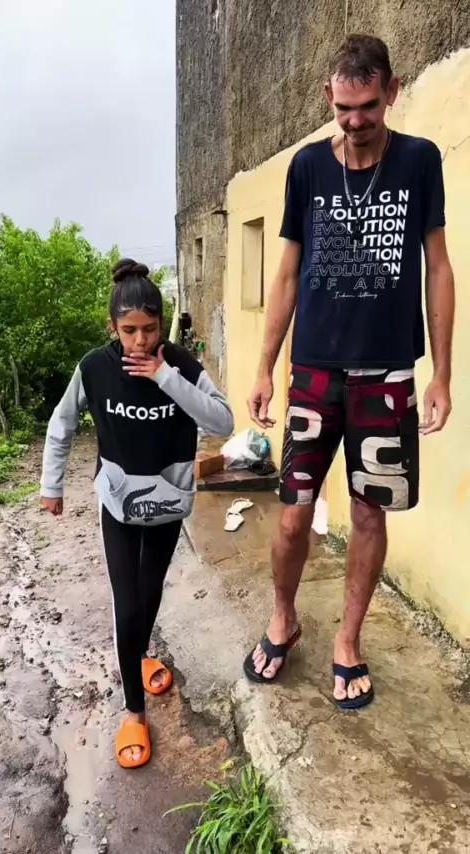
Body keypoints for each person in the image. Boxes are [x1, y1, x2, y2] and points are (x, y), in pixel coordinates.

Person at [244, 34, 455, 709]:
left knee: (369, 515)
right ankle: (284, 617)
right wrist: (264, 366)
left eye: (368, 106)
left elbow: (438, 266)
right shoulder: (307, 168)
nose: (356, 120)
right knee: (292, 517)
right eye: (343, 108)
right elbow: (285, 274)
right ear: (328, 99)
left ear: (391, 91)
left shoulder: (419, 161)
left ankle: (348, 640)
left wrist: (442, 374)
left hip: (387, 374)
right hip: (313, 372)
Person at [40, 259, 233, 767]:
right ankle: (133, 710)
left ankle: (140, 654)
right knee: (127, 605)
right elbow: (61, 425)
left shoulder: (182, 364)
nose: (141, 341)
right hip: (119, 505)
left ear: (161, 324)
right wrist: (51, 486)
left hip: (167, 503)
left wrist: (166, 377)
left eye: (149, 329)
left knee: (149, 594)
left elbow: (223, 422)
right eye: (129, 331)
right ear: (113, 327)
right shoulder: (94, 368)